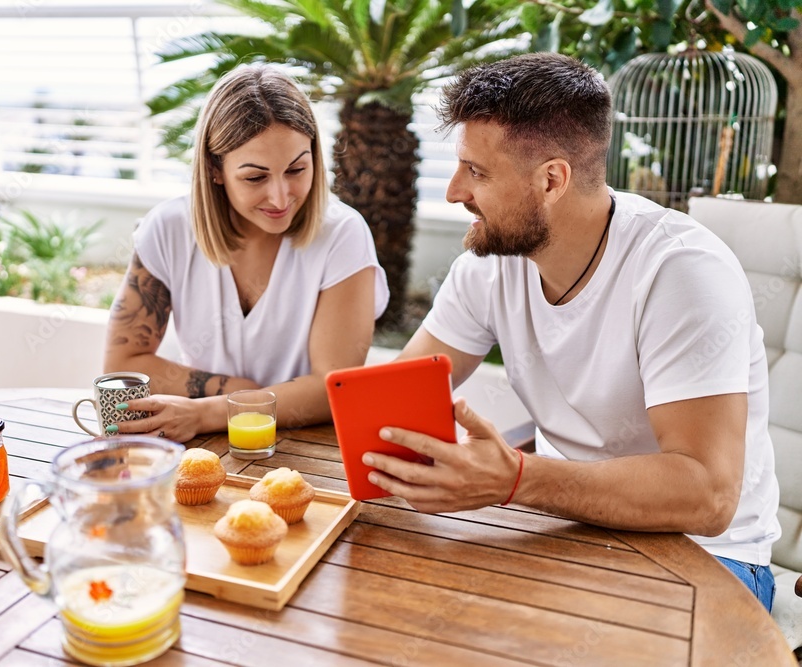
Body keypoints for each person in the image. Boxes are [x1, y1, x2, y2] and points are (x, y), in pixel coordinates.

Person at [362, 53, 780, 610]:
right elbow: (396, 404)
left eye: (477, 172)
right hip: (571, 530)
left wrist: (516, 479)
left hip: (710, 557)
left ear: (552, 180)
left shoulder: (680, 272)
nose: (454, 191)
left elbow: (708, 495)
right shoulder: (491, 263)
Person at [104, 64, 388, 443]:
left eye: (297, 169)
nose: (280, 196)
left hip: (307, 446)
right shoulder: (168, 228)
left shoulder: (342, 235)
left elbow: (331, 387)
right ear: (214, 168)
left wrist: (214, 408)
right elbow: (123, 366)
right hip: (203, 448)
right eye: (255, 177)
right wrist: (238, 388)